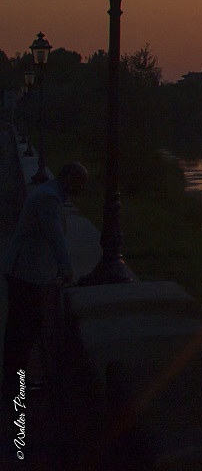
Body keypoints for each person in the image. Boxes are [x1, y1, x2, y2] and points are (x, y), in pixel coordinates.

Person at [1, 162, 86, 408]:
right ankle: (13, 390)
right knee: (22, 334)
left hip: (24, 272)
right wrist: (69, 271)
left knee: (21, 332)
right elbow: (55, 237)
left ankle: (14, 386)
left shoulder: (47, 192)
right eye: (80, 182)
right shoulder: (49, 198)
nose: (81, 188)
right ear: (68, 178)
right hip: (25, 274)